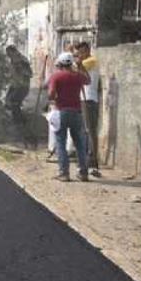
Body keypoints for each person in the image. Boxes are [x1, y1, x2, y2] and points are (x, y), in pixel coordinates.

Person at [49, 51, 91, 182]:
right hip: (76, 113)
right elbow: (88, 80)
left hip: (61, 111)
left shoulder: (56, 77)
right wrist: (81, 67)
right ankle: (83, 173)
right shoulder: (78, 76)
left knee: (61, 142)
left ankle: (64, 173)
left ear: (60, 64)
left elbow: (51, 94)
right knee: (79, 143)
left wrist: (53, 99)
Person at [75, 41, 101, 177]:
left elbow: (76, 68)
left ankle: (93, 163)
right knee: (84, 132)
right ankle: (86, 159)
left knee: (90, 132)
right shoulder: (85, 62)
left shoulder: (91, 61)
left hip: (89, 100)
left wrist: (77, 61)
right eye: (79, 52)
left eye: (82, 52)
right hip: (84, 99)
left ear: (87, 50)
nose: (80, 55)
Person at [5, 45, 33, 125]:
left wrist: (20, 69)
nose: (8, 55)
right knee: (8, 102)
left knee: (14, 102)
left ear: (13, 51)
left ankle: (20, 121)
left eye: (9, 53)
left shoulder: (22, 60)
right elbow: (11, 73)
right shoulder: (12, 60)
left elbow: (29, 74)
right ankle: (17, 120)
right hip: (14, 85)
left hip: (22, 86)